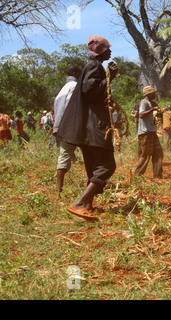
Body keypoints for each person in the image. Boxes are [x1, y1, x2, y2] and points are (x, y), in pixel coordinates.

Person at [56, 35, 119, 222]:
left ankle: (88, 206)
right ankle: (80, 203)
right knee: (107, 165)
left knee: (93, 167)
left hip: (86, 128)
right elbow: (90, 92)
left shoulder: (92, 66)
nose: (110, 51)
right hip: (94, 127)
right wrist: (109, 77)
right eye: (108, 48)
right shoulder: (94, 66)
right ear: (101, 50)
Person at [53, 65, 82, 200]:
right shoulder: (75, 86)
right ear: (75, 73)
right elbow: (75, 106)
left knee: (63, 157)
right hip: (72, 127)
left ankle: (59, 192)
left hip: (60, 128)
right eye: (80, 73)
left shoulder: (62, 90)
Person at [134, 86, 163, 178]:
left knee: (158, 154)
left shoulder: (151, 103)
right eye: (154, 93)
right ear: (149, 94)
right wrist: (152, 110)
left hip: (152, 132)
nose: (155, 94)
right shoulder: (144, 102)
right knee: (145, 155)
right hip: (145, 133)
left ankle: (157, 175)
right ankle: (137, 176)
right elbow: (141, 114)